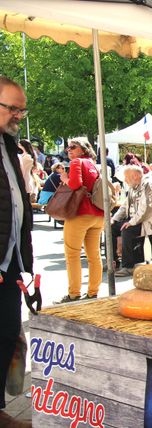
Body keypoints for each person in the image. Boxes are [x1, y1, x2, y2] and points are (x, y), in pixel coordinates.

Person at [0, 77, 33, 428]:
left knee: (8, 333)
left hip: (8, 265)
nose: (18, 116)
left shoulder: (9, 146)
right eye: (12, 108)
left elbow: (15, 201)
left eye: (21, 109)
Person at [56, 138, 104, 303]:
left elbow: (76, 185)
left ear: (82, 149)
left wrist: (64, 179)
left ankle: (74, 294)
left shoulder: (77, 162)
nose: (68, 149)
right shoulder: (93, 164)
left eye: (72, 147)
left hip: (80, 213)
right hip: (98, 214)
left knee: (72, 255)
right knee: (94, 255)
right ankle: (93, 292)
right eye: (68, 147)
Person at [111, 165, 152, 276]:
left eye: (126, 177)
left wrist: (131, 222)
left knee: (127, 230)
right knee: (111, 227)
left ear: (135, 176)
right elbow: (125, 206)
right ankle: (113, 261)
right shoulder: (133, 187)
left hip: (148, 223)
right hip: (135, 220)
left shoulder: (148, 186)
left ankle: (128, 266)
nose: (124, 180)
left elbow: (146, 209)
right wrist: (114, 219)